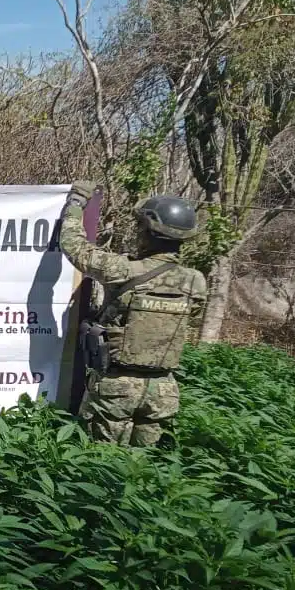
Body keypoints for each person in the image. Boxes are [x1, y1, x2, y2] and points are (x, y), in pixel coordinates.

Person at [59, 180, 207, 447]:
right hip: (163, 390)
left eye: (140, 227)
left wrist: (76, 203)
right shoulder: (195, 281)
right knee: (145, 465)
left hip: (117, 386)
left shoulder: (125, 270)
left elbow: (74, 246)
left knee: (102, 462)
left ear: (149, 232)